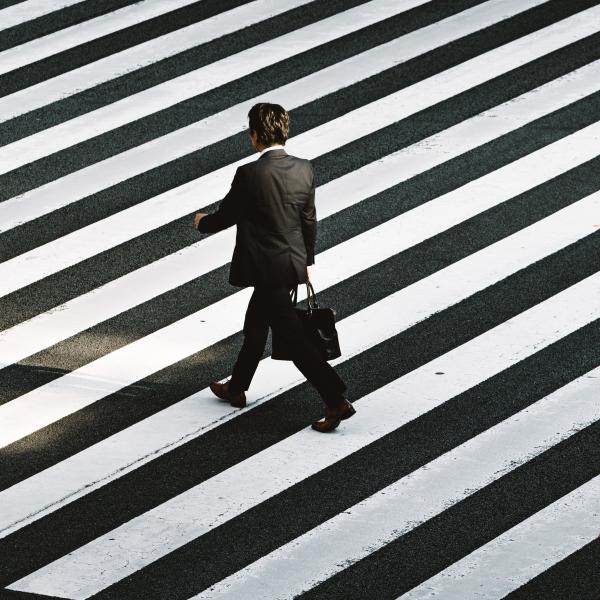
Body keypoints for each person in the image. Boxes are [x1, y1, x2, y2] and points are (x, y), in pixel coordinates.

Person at [193, 102, 355, 432]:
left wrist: (201, 223)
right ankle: (237, 386)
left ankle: (336, 400)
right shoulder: (304, 169)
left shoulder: (250, 174)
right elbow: (308, 219)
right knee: (256, 325)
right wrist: (306, 261)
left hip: (264, 267)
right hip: (289, 264)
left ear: (255, 136)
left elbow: (227, 216)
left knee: (293, 341)